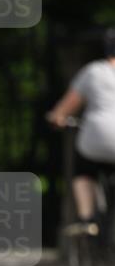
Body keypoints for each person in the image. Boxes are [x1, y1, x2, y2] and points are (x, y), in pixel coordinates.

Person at [46, 28, 115, 226]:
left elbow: (65, 108)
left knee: (83, 170)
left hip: (97, 139)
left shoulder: (94, 71)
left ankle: (87, 220)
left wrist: (57, 117)